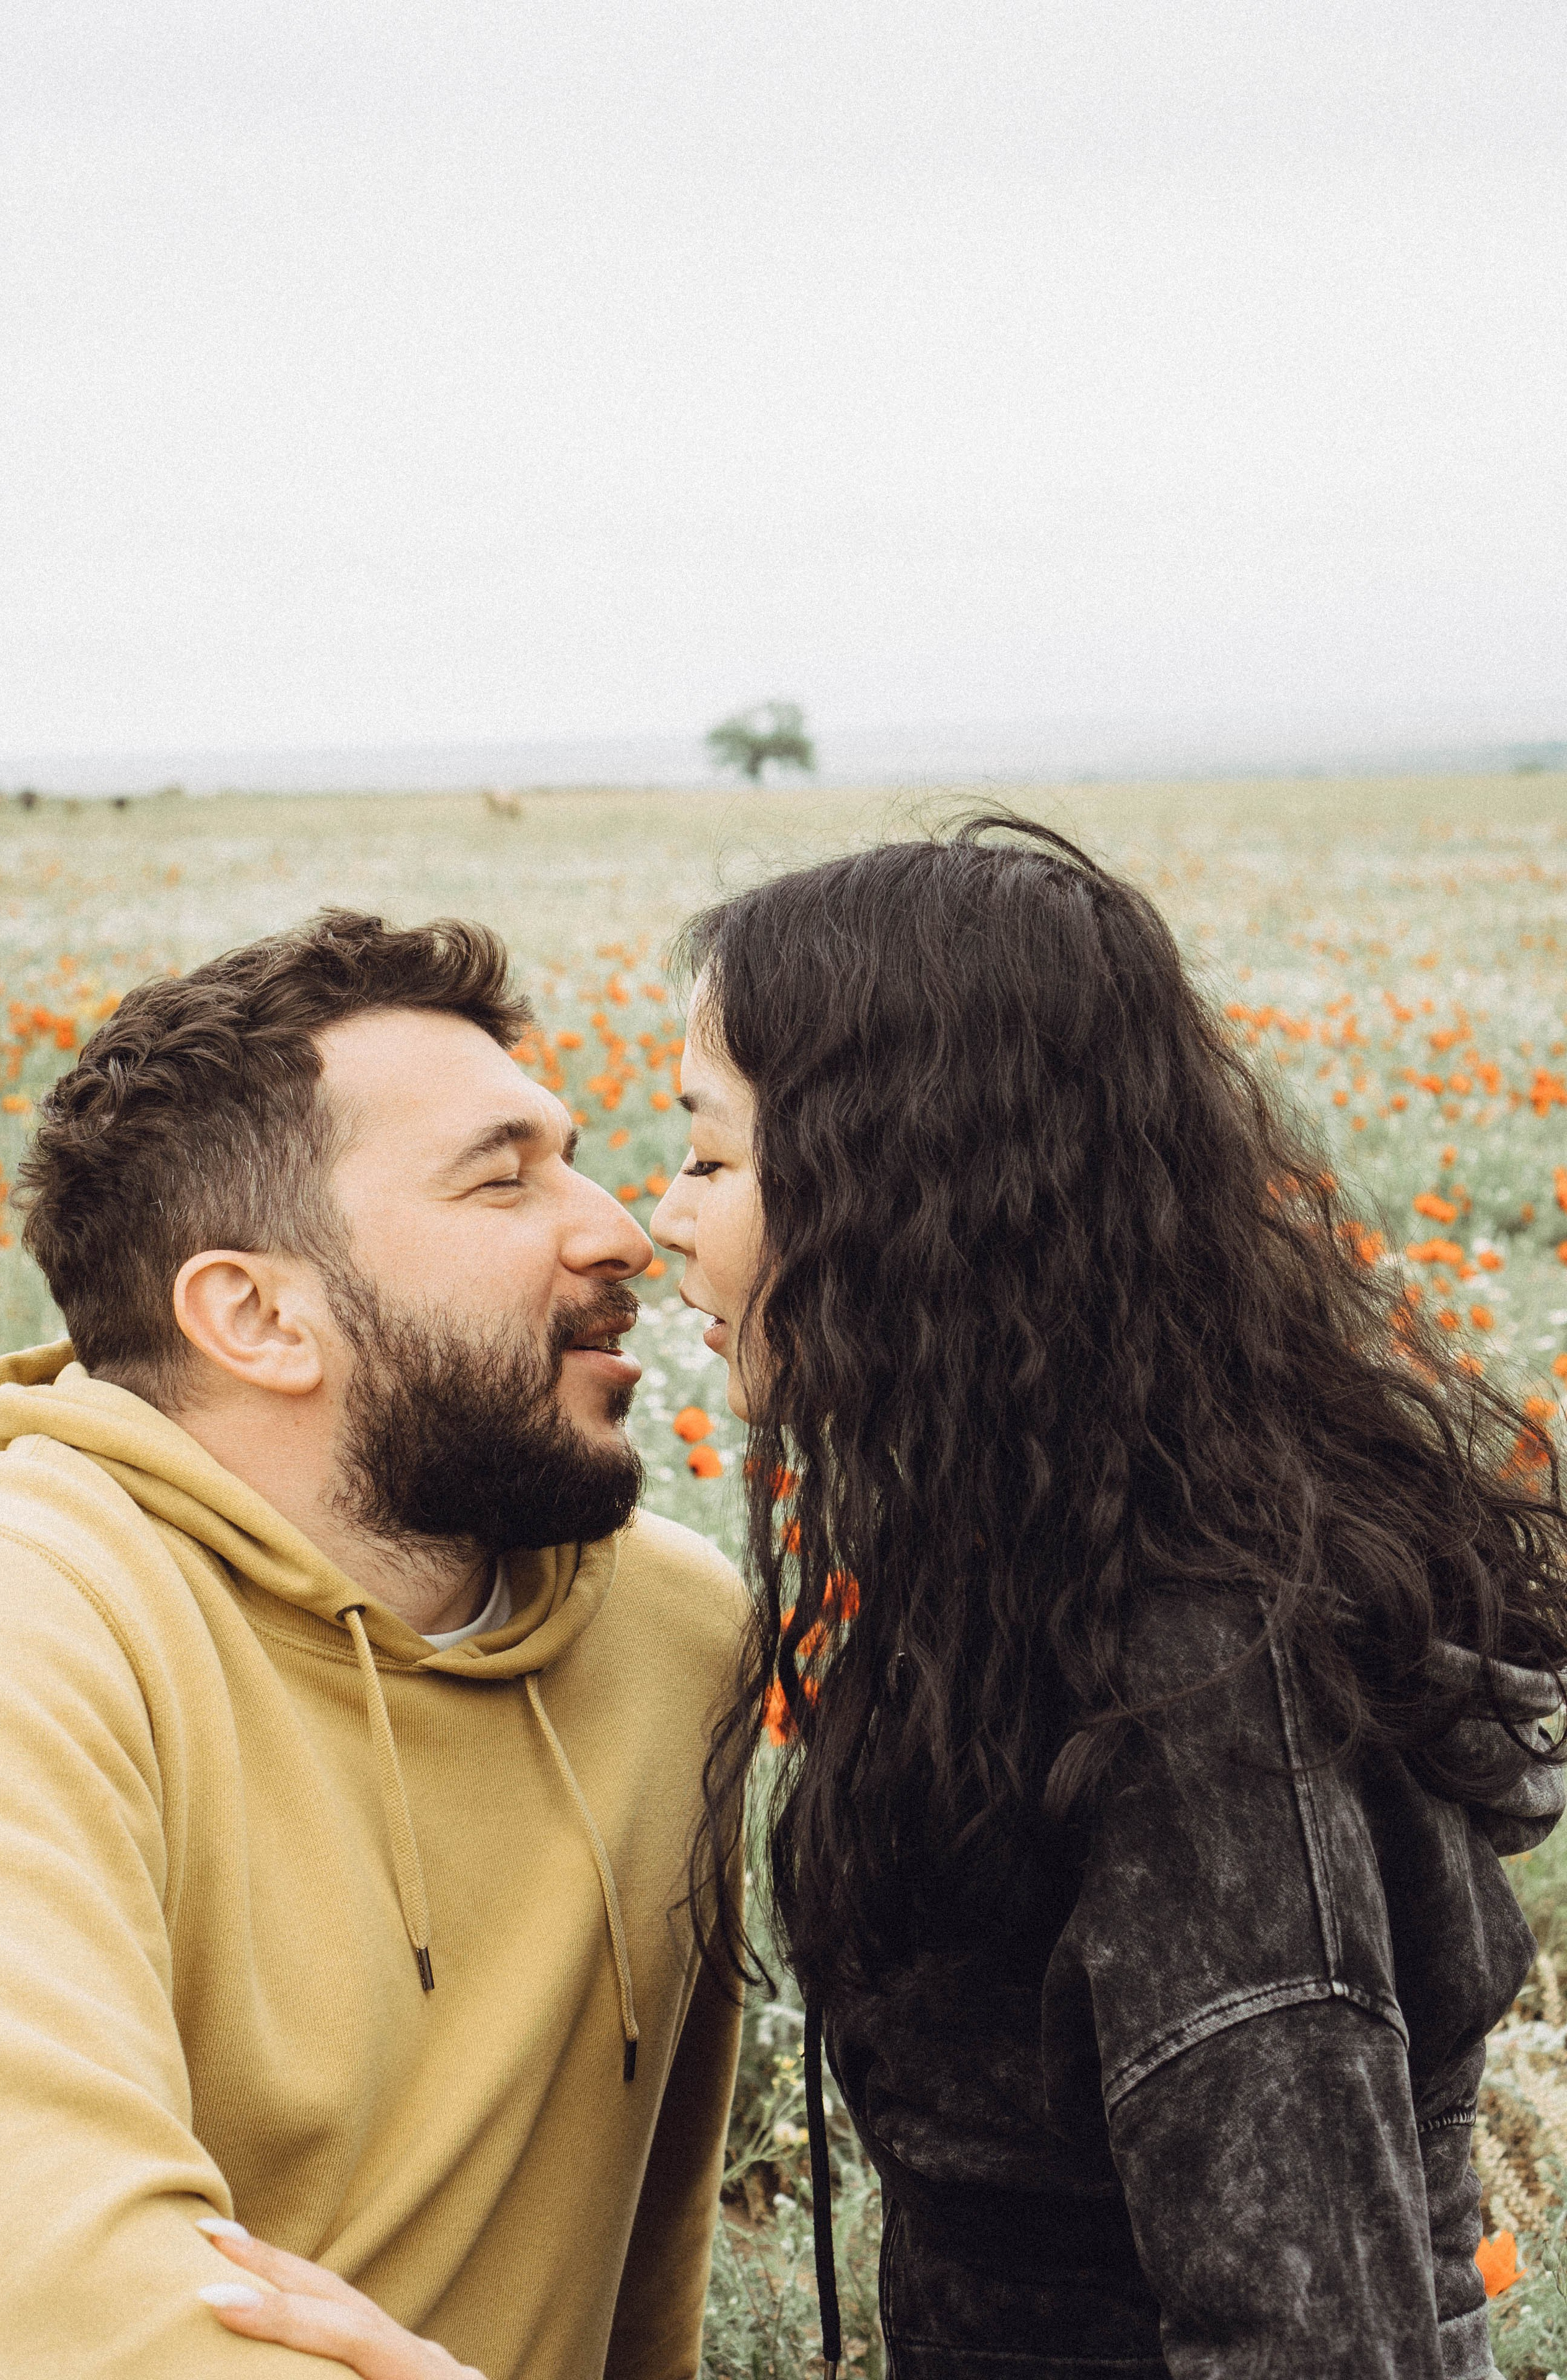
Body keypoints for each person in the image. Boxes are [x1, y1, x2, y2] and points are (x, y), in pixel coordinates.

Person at [642, 816, 1567, 2380]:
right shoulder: (1029, 1571)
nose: (660, 1216)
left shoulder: (1192, 1689)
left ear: (905, 1194)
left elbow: (1307, 2342)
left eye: (710, 1155)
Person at [0, 910, 745, 2380]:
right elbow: (60, 2306)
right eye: (501, 1182)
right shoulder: (37, 1616)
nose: (617, 1227)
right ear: (258, 1316)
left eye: (573, 1155)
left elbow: (651, 2296)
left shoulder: (670, 1633)